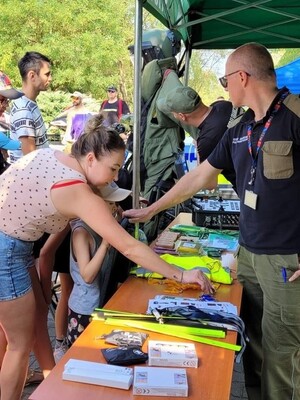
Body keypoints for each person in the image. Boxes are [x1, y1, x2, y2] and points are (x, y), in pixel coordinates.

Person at [123, 42, 300, 400]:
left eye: (225, 80)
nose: (224, 88)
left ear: (242, 77)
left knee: (284, 354)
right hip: (249, 253)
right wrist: (153, 209)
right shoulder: (241, 125)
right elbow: (201, 176)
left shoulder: (295, 116)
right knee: (253, 344)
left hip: (287, 259)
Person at [0, 113, 212, 400]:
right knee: (19, 344)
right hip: (8, 251)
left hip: (15, 247)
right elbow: (129, 247)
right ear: (90, 159)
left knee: (26, 327)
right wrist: (182, 274)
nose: (115, 176)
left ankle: (50, 385)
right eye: (112, 169)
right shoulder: (77, 190)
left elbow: (47, 248)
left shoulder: (52, 156)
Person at [67, 182, 131, 346]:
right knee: (83, 356)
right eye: (110, 203)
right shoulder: (81, 232)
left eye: (115, 204)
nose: (114, 208)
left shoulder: (102, 225)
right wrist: (105, 244)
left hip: (103, 301)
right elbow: (87, 275)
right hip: (85, 310)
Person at [157, 85, 237, 187]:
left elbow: (209, 185)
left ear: (182, 116)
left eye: (174, 114)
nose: (174, 116)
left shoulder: (207, 141)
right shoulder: (224, 105)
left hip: (250, 190)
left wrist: (198, 149)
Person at [9, 51, 52, 163]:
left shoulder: (28, 104)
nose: (50, 78)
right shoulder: (24, 110)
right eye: (47, 74)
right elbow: (31, 159)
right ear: (32, 76)